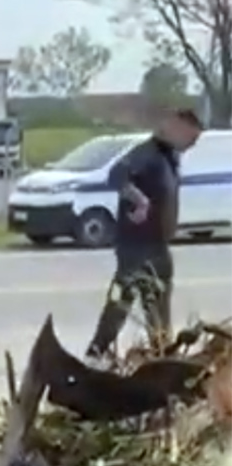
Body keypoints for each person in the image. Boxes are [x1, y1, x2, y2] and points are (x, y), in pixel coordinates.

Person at [85, 108, 203, 361]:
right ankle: (96, 352)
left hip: (157, 246)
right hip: (135, 247)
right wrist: (139, 199)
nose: (192, 145)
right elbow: (116, 175)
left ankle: (162, 354)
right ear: (175, 127)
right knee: (121, 302)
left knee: (157, 305)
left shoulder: (169, 158)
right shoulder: (146, 154)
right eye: (191, 138)